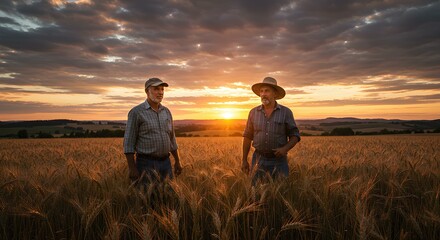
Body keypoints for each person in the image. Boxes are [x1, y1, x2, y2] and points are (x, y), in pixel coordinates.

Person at [241, 77, 300, 184]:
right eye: (261, 91)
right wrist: (244, 160)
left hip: (279, 161)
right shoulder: (253, 112)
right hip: (258, 159)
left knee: (281, 191)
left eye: (267, 91)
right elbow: (247, 136)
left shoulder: (286, 112)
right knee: (256, 192)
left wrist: (285, 149)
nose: (263, 94)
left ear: (275, 94)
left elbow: (295, 135)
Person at [123, 77, 182, 184]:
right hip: (145, 164)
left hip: (166, 163)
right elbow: (128, 143)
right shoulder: (136, 112)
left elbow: (172, 139)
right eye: (156, 89)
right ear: (147, 91)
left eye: (162, 89)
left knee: (167, 196)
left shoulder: (166, 112)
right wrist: (132, 168)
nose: (160, 92)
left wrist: (178, 161)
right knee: (148, 197)